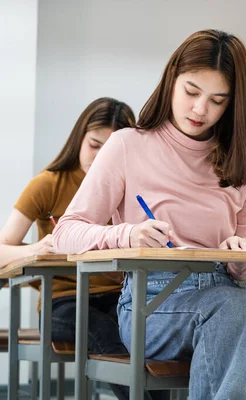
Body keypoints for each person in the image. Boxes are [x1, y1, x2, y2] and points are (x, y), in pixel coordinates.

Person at [54, 29, 246, 400]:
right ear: (171, 78)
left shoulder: (242, 162)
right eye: (191, 92)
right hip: (151, 307)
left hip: (226, 297)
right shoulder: (128, 144)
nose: (199, 110)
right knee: (230, 307)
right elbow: (67, 231)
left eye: (217, 100)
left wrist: (242, 256)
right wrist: (126, 234)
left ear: (232, 104)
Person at [0, 97, 141, 400]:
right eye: (94, 145)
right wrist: (38, 248)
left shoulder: (131, 188)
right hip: (63, 302)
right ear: (79, 138)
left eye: (111, 149)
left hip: (121, 298)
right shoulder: (49, 183)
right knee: (108, 333)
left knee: (152, 339)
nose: (101, 156)